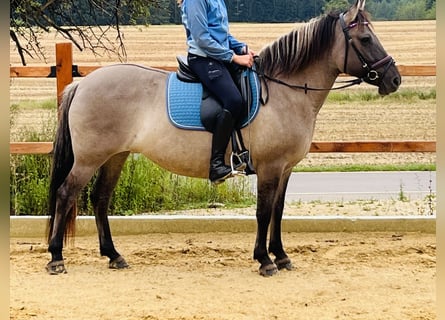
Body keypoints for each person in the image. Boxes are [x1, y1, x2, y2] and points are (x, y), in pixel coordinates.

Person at [178, 0, 255, 184]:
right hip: (203, 59)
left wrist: (241, 47)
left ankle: (240, 153)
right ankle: (216, 165)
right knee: (234, 100)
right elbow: (202, 39)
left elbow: (222, 34)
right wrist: (234, 57)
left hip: (218, 57)